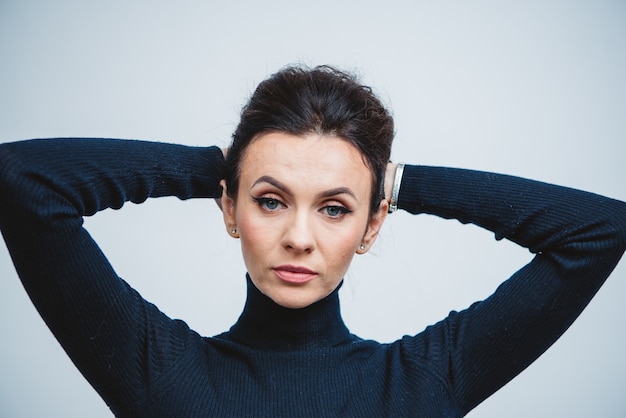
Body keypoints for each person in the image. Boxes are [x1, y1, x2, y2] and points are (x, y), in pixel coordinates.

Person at [0, 65, 624, 417]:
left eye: (334, 208)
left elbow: (598, 229)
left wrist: (392, 179)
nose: (299, 238)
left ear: (372, 226)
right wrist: (220, 166)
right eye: (270, 200)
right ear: (231, 209)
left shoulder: (421, 382)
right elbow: (22, 182)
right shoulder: (160, 372)